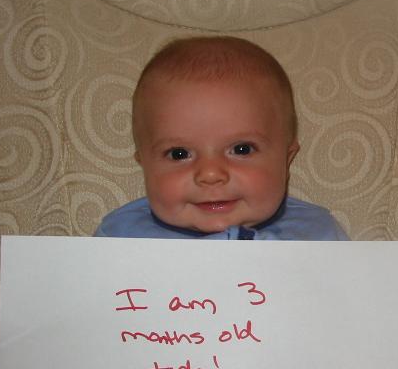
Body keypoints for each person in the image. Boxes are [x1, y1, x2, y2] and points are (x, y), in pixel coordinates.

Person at [95, 36, 348, 241]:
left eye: (242, 149)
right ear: (144, 163)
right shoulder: (118, 238)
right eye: (179, 154)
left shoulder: (318, 236)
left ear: (287, 158)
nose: (210, 174)